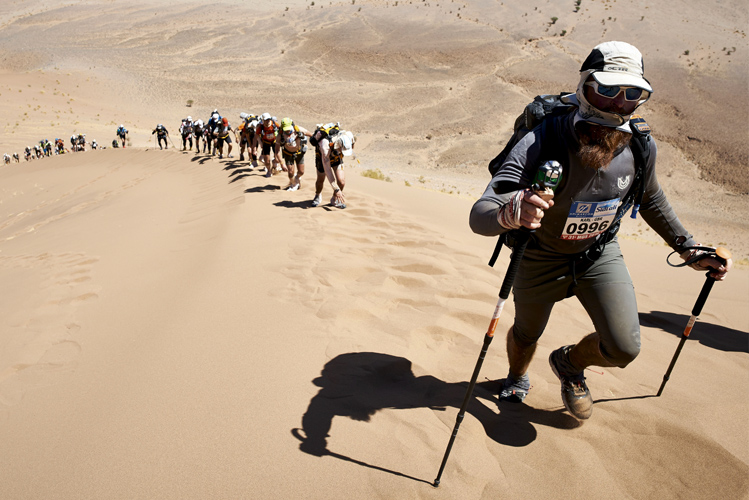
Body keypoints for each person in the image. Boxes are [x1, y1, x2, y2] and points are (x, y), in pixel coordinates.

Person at [469, 41, 732, 420]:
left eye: (633, 93)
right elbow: (481, 215)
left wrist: (689, 249)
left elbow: (651, 199)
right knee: (527, 334)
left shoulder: (639, 144)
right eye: (607, 89)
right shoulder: (543, 138)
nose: (618, 102)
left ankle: (570, 364)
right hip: (539, 255)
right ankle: (516, 376)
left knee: (624, 347)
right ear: (585, 86)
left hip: (598, 255)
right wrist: (512, 212)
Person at [309, 123, 354, 208]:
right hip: (322, 157)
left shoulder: (348, 135)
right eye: (342, 150)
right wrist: (336, 189)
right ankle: (317, 195)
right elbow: (328, 170)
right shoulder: (325, 146)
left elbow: (353, 141)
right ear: (338, 145)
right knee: (320, 179)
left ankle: (334, 199)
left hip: (336, 157)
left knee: (341, 182)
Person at [277, 117, 311, 191]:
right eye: (286, 129)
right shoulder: (280, 134)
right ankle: (293, 184)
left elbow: (310, 134)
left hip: (299, 152)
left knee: (301, 172)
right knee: (290, 172)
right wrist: (282, 163)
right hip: (288, 154)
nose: (288, 131)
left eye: (289, 128)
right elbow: (276, 150)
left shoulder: (297, 129)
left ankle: (297, 177)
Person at [255, 113, 282, 178]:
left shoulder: (274, 124)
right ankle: (269, 171)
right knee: (266, 160)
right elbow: (257, 135)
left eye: (269, 119)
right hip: (266, 143)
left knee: (277, 159)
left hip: (274, 142)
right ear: (263, 120)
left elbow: (281, 130)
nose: (268, 121)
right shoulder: (261, 127)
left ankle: (274, 164)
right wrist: (260, 143)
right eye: (266, 120)